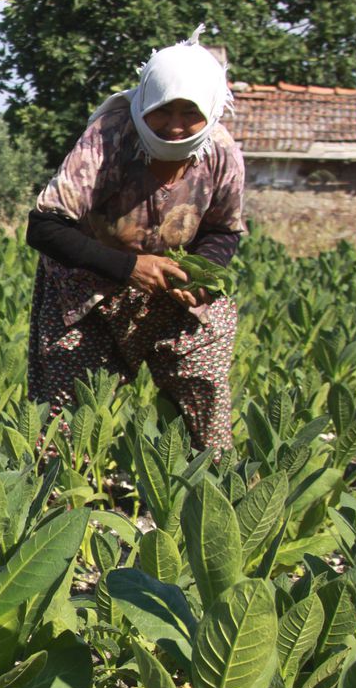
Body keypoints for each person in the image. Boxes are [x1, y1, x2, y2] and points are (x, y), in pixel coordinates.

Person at [25, 25, 243, 453]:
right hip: (89, 294)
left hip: (175, 294)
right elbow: (45, 226)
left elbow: (223, 229)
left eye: (190, 114)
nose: (176, 126)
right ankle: (54, 509)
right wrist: (130, 267)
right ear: (145, 100)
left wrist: (199, 275)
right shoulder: (108, 138)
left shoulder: (221, 151)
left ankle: (211, 498)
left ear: (211, 111)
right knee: (67, 419)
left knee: (205, 396)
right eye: (163, 110)